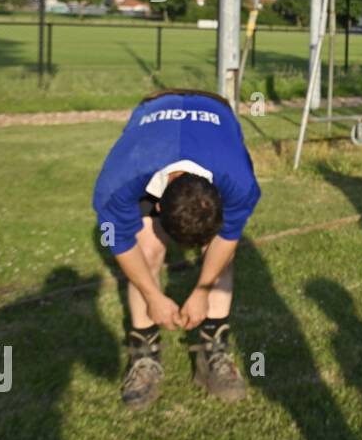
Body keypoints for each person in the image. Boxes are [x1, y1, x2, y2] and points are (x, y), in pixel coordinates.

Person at [93, 88, 261, 410]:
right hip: (156, 110)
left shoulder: (239, 181)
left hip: (215, 111)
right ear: (157, 208)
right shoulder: (118, 182)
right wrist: (153, 297)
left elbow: (228, 237)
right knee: (148, 249)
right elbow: (119, 240)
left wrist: (202, 288)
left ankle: (214, 349)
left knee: (222, 257)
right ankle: (144, 354)